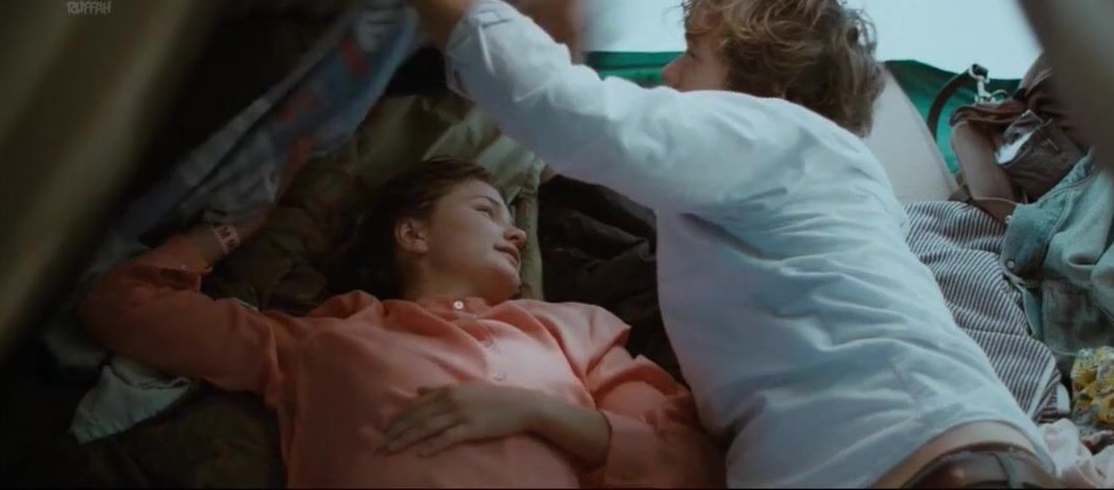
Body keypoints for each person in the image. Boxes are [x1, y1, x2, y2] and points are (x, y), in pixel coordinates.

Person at [402, 0, 1062, 487]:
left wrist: (451, 0)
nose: (667, 73)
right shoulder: (815, 193)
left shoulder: (782, 135)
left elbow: (580, 119)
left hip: (918, 462)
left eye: (692, 51)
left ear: (768, 88)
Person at [78, 154, 724, 488]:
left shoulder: (576, 328)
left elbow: (694, 465)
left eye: (512, 220)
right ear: (412, 234)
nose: (517, 235)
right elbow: (123, 304)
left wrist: (536, 413)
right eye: (486, 211)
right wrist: (243, 223)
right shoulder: (322, 339)